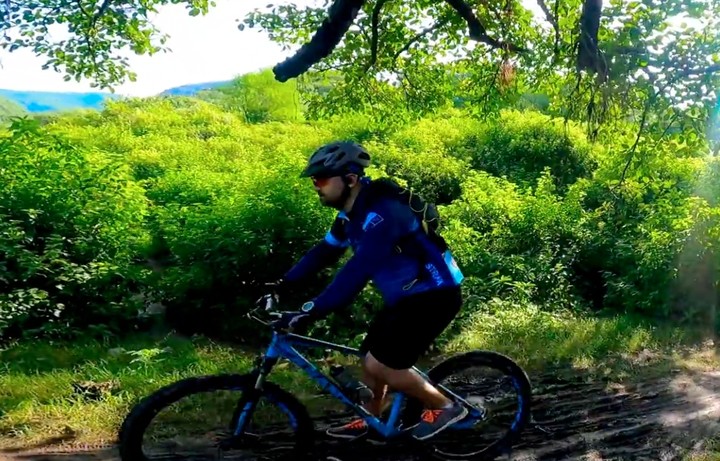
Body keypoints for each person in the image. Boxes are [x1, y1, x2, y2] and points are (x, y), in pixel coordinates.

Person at [271, 140, 467, 442]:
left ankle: (446, 407)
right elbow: (324, 252)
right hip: (405, 297)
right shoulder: (350, 216)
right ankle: (372, 418)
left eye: (321, 179)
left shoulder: (384, 214)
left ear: (350, 179)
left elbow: (357, 272)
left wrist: (311, 310)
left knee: (383, 364)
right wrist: (282, 283)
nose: (316, 186)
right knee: (368, 357)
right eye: (314, 180)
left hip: (434, 295)